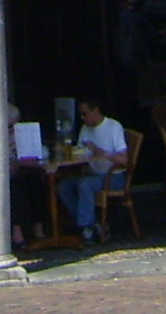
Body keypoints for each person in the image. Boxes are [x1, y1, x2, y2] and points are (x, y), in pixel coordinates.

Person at [56, 99, 129, 245]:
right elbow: (79, 152)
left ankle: (87, 228)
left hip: (113, 176)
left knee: (85, 184)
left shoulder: (113, 127)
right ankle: (94, 225)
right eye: (81, 115)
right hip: (92, 174)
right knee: (63, 186)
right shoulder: (85, 128)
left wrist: (98, 151)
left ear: (96, 110)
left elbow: (124, 159)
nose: (83, 118)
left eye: (85, 114)